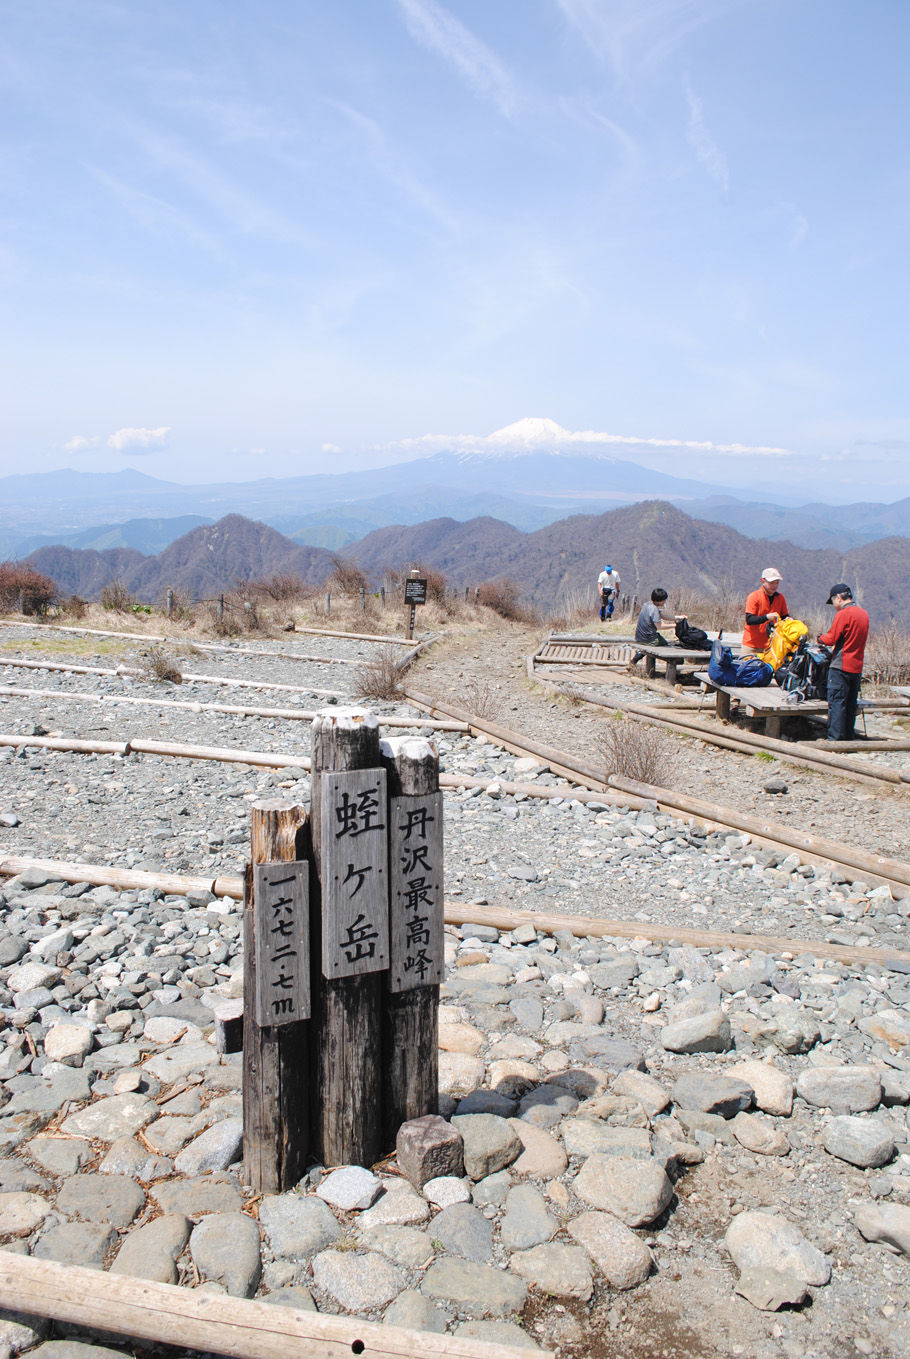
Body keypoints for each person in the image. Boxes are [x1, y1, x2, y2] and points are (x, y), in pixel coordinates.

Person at [818, 583, 869, 742]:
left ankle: (835, 740)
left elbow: (831, 638)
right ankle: (848, 737)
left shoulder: (843, 614)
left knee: (837, 703)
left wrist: (820, 638)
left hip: (840, 665)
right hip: (856, 666)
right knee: (850, 704)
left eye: (833, 601)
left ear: (838, 598)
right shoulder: (864, 614)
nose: (834, 606)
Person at [742, 568, 789, 654]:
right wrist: (766, 617)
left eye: (777, 583)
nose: (774, 586)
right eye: (771, 583)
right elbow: (749, 620)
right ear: (763, 581)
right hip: (751, 646)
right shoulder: (754, 597)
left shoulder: (780, 598)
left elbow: (784, 616)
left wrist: (789, 620)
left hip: (770, 647)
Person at [631, 588, 676, 663]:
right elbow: (660, 626)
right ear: (660, 600)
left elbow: (662, 616)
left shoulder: (647, 604)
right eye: (664, 600)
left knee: (650, 645)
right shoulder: (654, 609)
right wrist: (674, 626)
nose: (665, 602)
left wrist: (677, 617)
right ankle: (671, 662)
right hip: (649, 639)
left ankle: (635, 659)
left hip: (639, 637)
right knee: (665, 644)